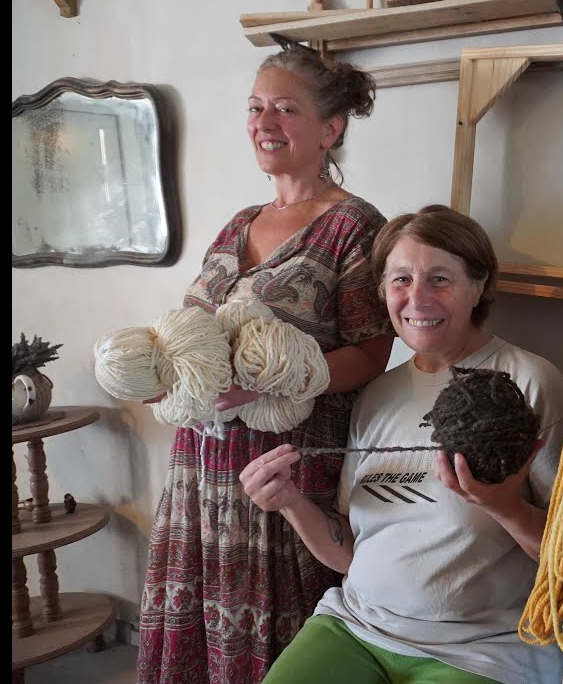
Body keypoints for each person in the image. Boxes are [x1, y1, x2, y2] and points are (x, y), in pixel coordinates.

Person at [136, 42, 396, 684]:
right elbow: (192, 332)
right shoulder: (237, 224)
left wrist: (267, 383)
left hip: (286, 464)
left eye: (285, 109)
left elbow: (374, 350)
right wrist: (163, 376)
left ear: (330, 129)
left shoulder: (353, 227)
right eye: (255, 108)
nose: (263, 123)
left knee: (277, 629)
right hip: (200, 462)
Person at [238, 205, 563, 684]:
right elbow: (350, 554)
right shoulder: (377, 395)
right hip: (357, 627)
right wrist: (289, 501)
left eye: (440, 279)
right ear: (383, 291)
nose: (417, 298)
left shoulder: (529, 381)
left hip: (482, 650)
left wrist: (504, 507)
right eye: (401, 280)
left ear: (479, 287)